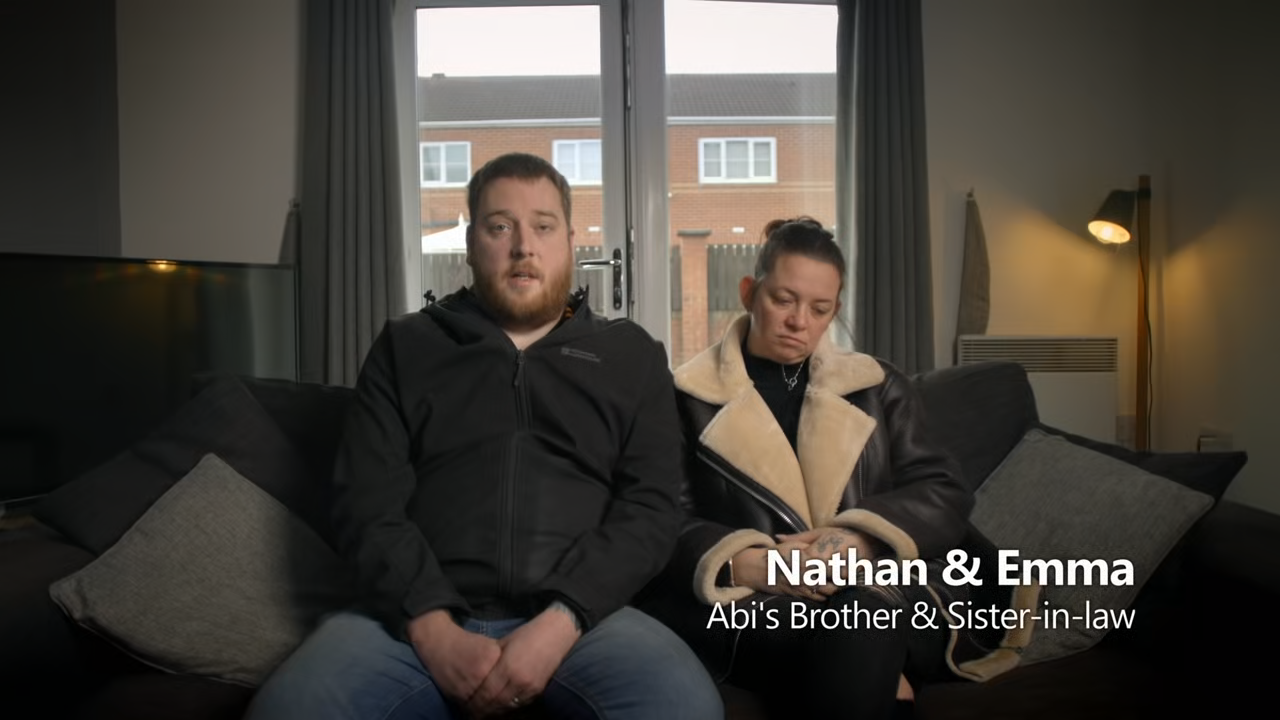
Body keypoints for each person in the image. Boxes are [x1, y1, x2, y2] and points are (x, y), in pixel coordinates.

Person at [246, 153, 722, 720]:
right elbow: (367, 504)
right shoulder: (407, 346)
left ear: (570, 242)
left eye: (543, 227)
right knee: (289, 709)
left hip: (584, 621)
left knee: (685, 707)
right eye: (500, 227)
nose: (523, 247)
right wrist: (432, 630)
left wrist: (561, 622)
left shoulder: (631, 355)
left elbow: (650, 508)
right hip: (413, 621)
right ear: (471, 243)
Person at [643, 217, 1036, 720]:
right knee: (862, 635)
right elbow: (659, 515)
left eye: (819, 308)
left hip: (880, 582)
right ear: (749, 292)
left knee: (867, 612)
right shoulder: (684, 397)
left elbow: (942, 489)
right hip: (755, 599)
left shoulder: (879, 386)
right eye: (783, 300)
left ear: (836, 310)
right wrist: (745, 562)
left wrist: (860, 540)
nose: (799, 321)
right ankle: (890, 682)